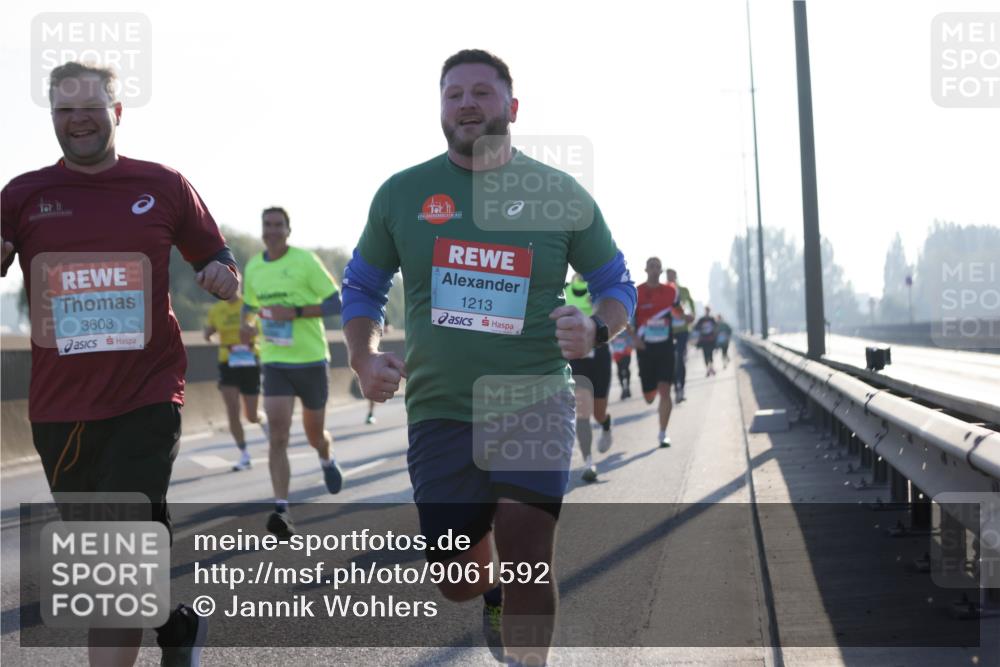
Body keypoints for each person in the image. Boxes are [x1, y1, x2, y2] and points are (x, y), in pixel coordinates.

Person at [341, 49, 635, 667]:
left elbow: (617, 287)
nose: (467, 103)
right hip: (440, 409)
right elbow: (362, 287)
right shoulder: (402, 194)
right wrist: (364, 358)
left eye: (482, 92)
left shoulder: (558, 193)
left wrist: (595, 328)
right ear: (441, 109)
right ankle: (489, 589)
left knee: (529, 554)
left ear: (512, 107)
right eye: (453, 94)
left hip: (534, 397)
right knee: (455, 577)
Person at [1, 62, 239, 667]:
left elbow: (219, 260)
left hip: (147, 396)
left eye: (89, 106)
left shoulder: (162, 185)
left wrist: (221, 275)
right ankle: (174, 624)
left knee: (114, 566)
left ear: (117, 112)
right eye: (63, 109)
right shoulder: (23, 195)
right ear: (52, 117)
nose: (77, 118)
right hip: (60, 407)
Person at [240, 206, 344, 539]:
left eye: (278, 225)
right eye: (266, 225)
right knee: (279, 435)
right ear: (261, 230)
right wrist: (246, 324)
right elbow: (249, 306)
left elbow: (335, 303)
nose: (272, 230)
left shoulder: (305, 261)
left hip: (311, 359)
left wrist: (294, 312)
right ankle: (282, 509)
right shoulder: (254, 265)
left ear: (288, 229)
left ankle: (326, 457)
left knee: (315, 434)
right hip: (275, 361)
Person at [203, 290, 268, 470]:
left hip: (249, 358)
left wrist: (253, 331)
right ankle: (244, 454)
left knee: (251, 415)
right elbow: (208, 332)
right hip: (228, 360)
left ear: (238, 284)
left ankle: (262, 420)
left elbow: (263, 329)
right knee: (232, 409)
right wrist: (208, 334)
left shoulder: (250, 306)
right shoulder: (216, 309)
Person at [563, 274, 614, 483]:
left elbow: (613, 317)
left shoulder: (601, 288)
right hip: (577, 358)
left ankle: (606, 424)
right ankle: (588, 462)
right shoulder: (564, 289)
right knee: (583, 411)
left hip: (599, 354)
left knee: (598, 412)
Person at [634, 257, 678, 448]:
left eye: (657, 267)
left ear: (661, 271)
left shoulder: (670, 291)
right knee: (649, 396)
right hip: (645, 348)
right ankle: (648, 392)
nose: (654, 269)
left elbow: (677, 311)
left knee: (665, 390)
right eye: (651, 266)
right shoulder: (637, 292)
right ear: (645, 269)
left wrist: (686, 316)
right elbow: (626, 320)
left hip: (666, 346)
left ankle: (663, 432)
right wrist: (634, 339)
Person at [665, 268, 695, 403]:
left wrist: (692, 316)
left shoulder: (683, 291)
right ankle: (675, 387)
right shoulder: (663, 291)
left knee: (679, 358)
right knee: (671, 360)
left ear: (676, 276)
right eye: (668, 276)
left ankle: (680, 388)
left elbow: (691, 304)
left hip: (682, 329)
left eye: (672, 276)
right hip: (668, 331)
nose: (670, 278)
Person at [694, 306, 718, 376]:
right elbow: (696, 328)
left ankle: (711, 368)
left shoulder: (712, 319)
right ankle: (708, 369)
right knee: (705, 355)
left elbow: (716, 327)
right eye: (706, 310)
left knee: (710, 354)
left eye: (708, 310)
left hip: (711, 340)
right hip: (704, 340)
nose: (707, 311)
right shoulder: (701, 320)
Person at [610, 329, 633, 400]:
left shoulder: (626, 320)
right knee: (619, 369)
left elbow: (630, 332)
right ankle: (623, 388)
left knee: (626, 368)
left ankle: (628, 388)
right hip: (617, 350)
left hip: (626, 349)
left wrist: (629, 343)